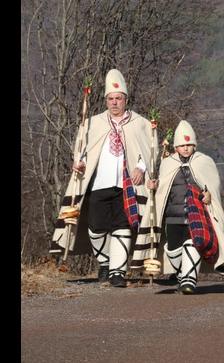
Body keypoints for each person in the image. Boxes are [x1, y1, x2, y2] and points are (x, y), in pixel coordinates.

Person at [50, 69, 153, 287]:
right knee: (96, 227)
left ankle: (118, 272)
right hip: (99, 183)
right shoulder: (92, 123)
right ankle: (105, 262)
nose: (114, 103)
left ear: (125, 99)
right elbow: (83, 152)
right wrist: (80, 163)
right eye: (111, 99)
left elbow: (149, 152)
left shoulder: (140, 123)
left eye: (118, 98)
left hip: (127, 185)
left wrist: (141, 168)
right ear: (106, 100)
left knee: (122, 226)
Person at [139, 120, 224, 294]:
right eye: (182, 145)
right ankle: (183, 275)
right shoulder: (168, 163)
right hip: (173, 216)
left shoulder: (204, 161)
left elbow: (212, 186)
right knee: (173, 249)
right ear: (176, 146)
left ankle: (189, 281)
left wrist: (208, 195)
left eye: (189, 144)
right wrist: (154, 186)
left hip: (196, 214)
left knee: (193, 244)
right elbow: (163, 189)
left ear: (194, 145)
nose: (186, 148)